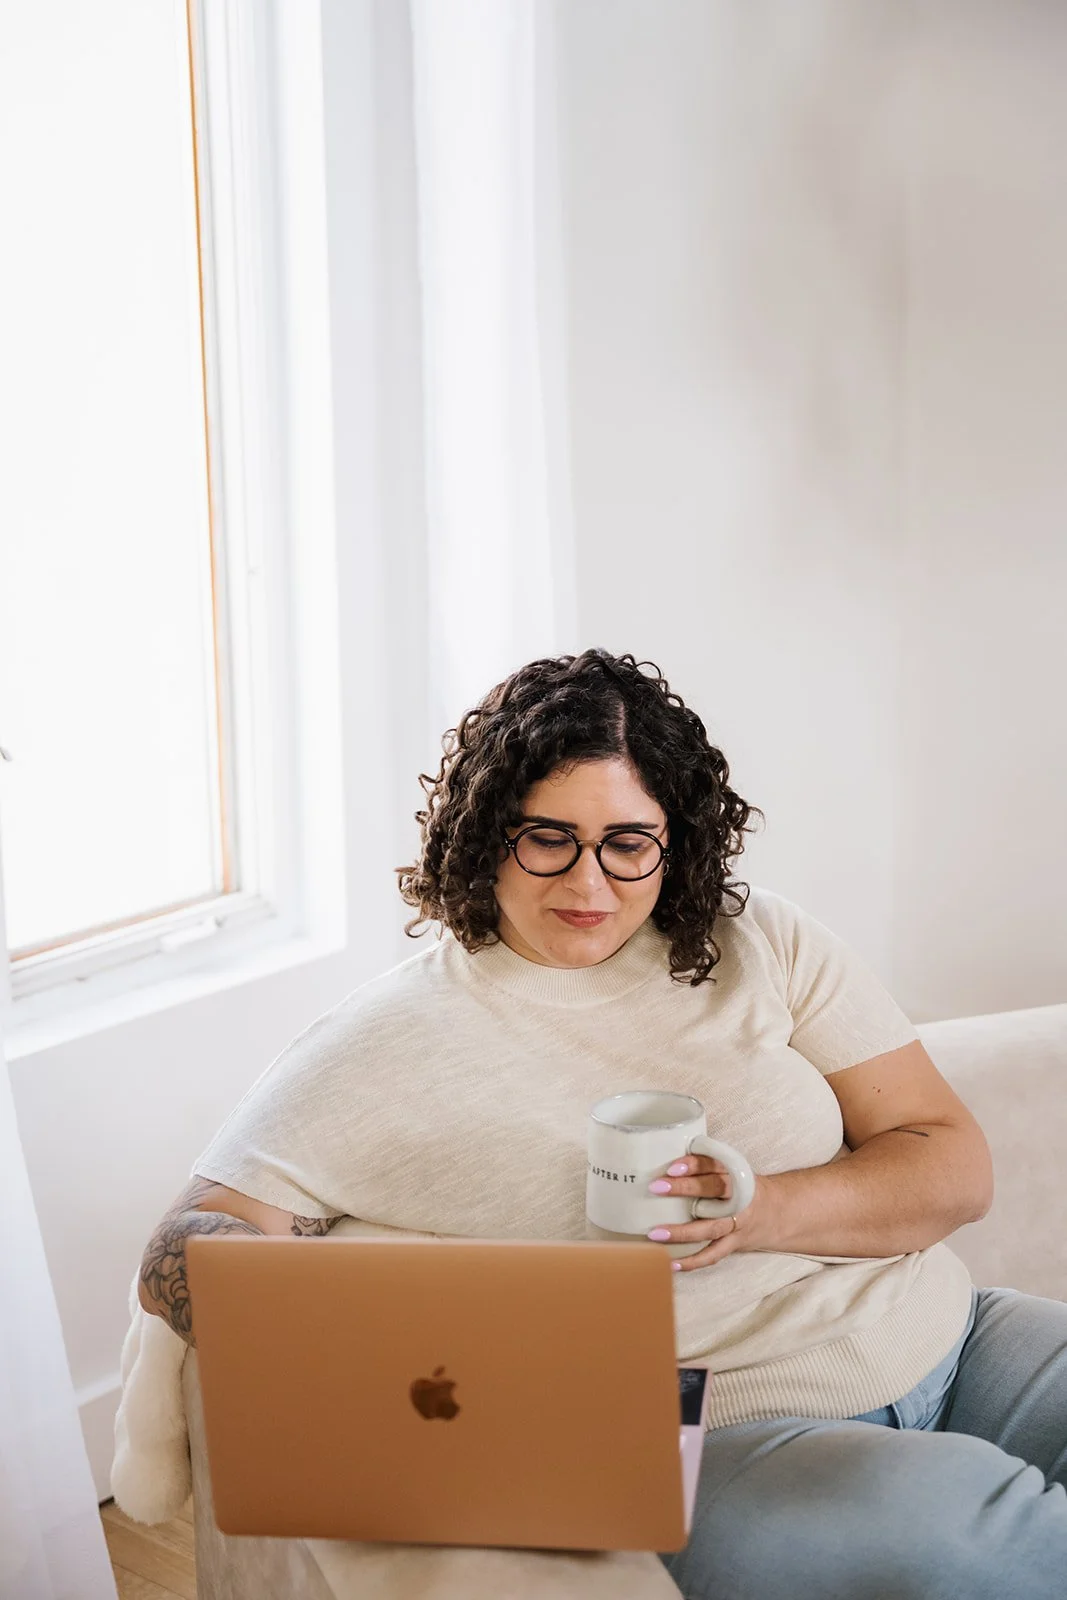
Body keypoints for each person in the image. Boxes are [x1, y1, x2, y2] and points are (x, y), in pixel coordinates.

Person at [137, 647, 1067, 1598]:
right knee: (986, 1546)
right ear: (483, 833)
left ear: (675, 840)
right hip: (731, 1434)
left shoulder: (760, 942)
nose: (589, 885)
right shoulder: (384, 1041)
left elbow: (951, 1164)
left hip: (955, 1337)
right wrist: (346, 1329)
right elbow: (188, 1239)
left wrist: (761, 1213)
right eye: (548, 838)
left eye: (628, 843)